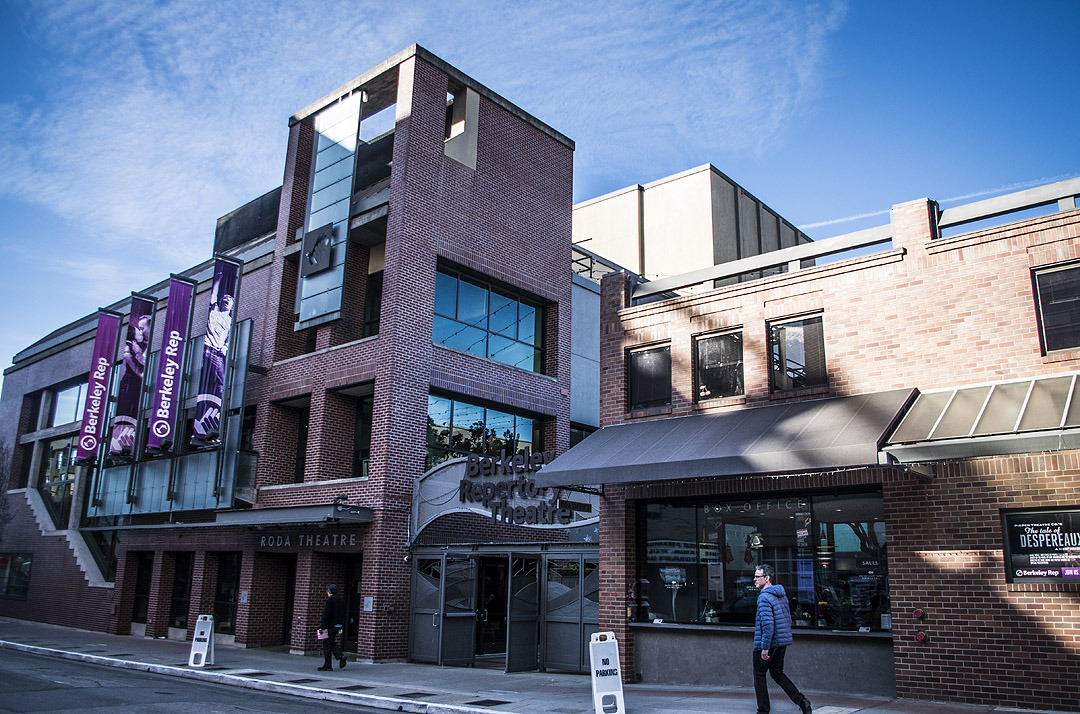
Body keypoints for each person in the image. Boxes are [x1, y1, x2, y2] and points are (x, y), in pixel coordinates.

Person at [753, 565, 811, 714]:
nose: (754, 579)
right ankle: (801, 701)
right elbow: (787, 619)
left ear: (767, 578)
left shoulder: (764, 597)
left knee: (759, 676)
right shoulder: (781, 595)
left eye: (757, 576)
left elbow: (768, 625)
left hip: (768, 643)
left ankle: (763, 710)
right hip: (781, 642)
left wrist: (765, 648)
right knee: (777, 673)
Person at [317, 584, 347, 671]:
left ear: (329, 591)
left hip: (330, 626)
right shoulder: (341, 600)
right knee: (330, 641)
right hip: (338, 625)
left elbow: (326, 614)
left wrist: (322, 626)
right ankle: (340, 655)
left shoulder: (330, 600)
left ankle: (328, 664)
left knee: (326, 644)